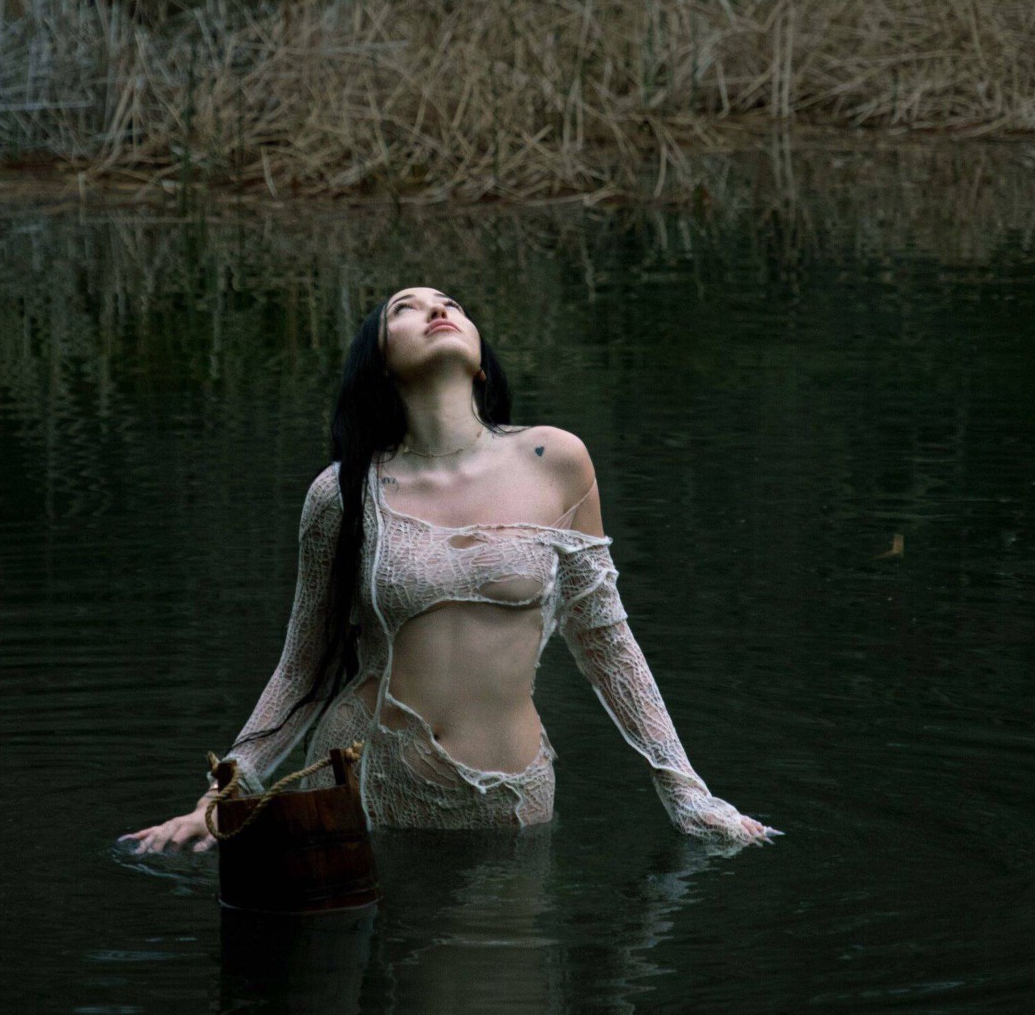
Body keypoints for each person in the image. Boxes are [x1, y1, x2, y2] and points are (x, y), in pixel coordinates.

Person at [120, 286, 779, 851]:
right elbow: (302, 667)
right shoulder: (343, 492)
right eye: (404, 310)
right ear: (379, 365)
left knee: (505, 964)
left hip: (509, 802)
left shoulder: (555, 461)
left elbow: (607, 643)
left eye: (450, 304)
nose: (436, 310)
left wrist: (685, 790)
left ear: (482, 364)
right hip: (357, 790)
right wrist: (223, 794)